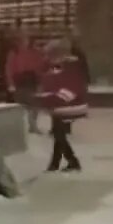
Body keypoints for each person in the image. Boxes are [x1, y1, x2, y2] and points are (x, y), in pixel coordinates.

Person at [38, 40, 88, 172]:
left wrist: (55, 97)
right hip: (59, 104)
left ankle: (72, 162)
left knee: (59, 134)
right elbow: (51, 80)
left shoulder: (70, 65)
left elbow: (70, 84)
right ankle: (55, 164)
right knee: (58, 134)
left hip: (66, 105)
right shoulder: (58, 65)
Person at [5, 34, 45, 133]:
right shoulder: (14, 52)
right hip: (20, 80)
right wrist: (11, 83)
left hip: (32, 80)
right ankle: (27, 126)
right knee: (23, 105)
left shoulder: (36, 52)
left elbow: (40, 68)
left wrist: (41, 82)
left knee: (34, 105)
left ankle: (33, 125)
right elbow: (9, 69)